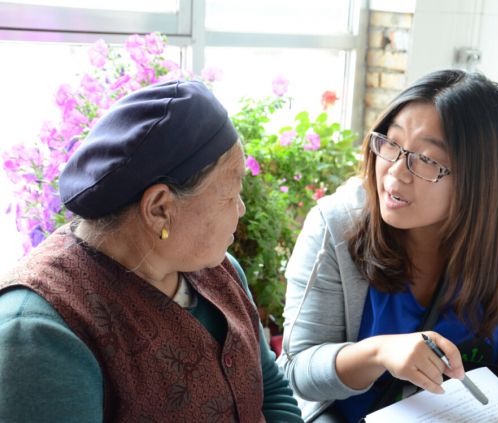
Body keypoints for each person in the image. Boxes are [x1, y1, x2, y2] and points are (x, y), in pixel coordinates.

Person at [277, 69, 498, 423]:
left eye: (427, 160)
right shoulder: (337, 226)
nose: (395, 173)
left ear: (479, 180)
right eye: (391, 143)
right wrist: (378, 353)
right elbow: (298, 369)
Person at [0, 80, 303, 422]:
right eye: (230, 194)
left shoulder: (221, 271)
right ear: (159, 208)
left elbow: (272, 393)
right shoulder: (38, 337)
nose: (242, 209)